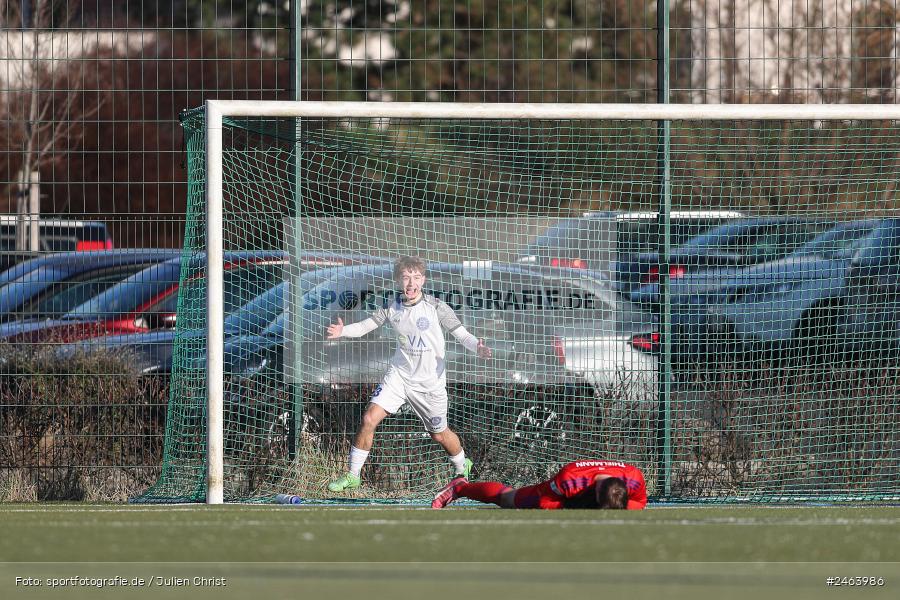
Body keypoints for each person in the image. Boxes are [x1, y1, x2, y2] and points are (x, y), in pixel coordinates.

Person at [326, 256, 492, 493]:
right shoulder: (391, 308)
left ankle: (461, 464)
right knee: (369, 419)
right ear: (398, 281)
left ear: (423, 280)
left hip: (430, 383)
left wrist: (478, 346)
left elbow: (461, 334)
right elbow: (366, 326)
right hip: (399, 376)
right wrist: (343, 331)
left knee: (439, 435)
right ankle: (353, 475)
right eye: (406, 278)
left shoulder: (436, 307)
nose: (411, 283)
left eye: (416, 278)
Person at [431, 459, 647, 510]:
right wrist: (576, 506)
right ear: (594, 492)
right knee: (508, 499)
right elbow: (546, 503)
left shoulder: (634, 478)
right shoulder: (571, 479)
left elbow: (640, 504)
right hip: (553, 492)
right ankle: (460, 487)